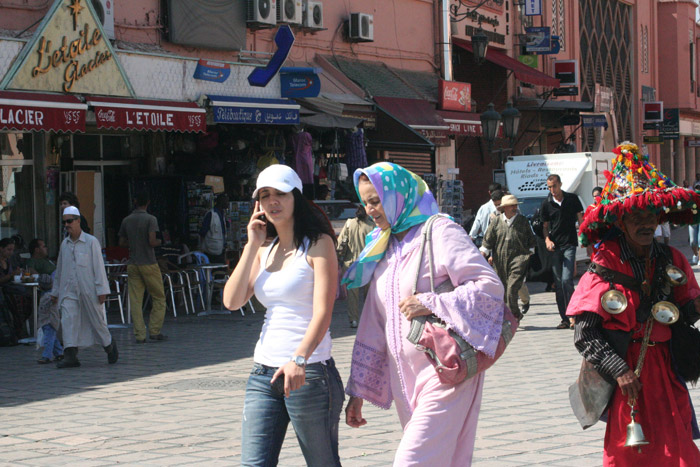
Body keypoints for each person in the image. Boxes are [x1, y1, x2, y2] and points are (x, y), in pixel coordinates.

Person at [343, 162, 505, 465]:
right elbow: (374, 323)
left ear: (397, 195)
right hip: (405, 379)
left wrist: (430, 302)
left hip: (445, 372)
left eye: (375, 201)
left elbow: (489, 287)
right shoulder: (383, 246)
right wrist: (358, 390)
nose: (370, 210)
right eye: (365, 202)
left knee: (411, 461)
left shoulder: (441, 232)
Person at [568, 142, 700, 466]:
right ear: (621, 221)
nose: (645, 224)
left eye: (651, 216)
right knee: (629, 454)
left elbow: (689, 311)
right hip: (628, 373)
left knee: (679, 450)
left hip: (667, 370)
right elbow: (584, 333)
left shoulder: (672, 258)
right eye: (636, 216)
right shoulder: (605, 263)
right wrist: (620, 371)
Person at [222, 164, 343, 466]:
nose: (272, 201)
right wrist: (251, 245)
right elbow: (232, 301)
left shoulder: (318, 244)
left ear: (296, 198)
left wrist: (299, 359)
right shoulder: (264, 250)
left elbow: (323, 312)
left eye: (280, 194)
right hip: (263, 373)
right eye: (265, 196)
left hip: (309, 372)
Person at [50, 206, 118, 368]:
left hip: (89, 290)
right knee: (68, 320)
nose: (67, 224)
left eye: (70, 221)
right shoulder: (64, 245)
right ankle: (70, 355)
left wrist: (102, 290)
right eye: (64, 222)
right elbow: (59, 270)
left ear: (78, 220)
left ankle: (109, 345)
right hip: (69, 291)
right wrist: (56, 291)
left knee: (96, 320)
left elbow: (99, 268)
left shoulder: (91, 242)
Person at [118, 191, 167, 344]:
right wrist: (161, 241)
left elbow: (121, 243)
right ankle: (154, 330)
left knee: (135, 300)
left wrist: (134, 243)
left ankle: (140, 334)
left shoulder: (127, 220)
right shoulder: (151, 219)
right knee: (159, 297)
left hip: (133, 263)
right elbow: (152, 241)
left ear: (134, 202)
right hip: (149, 262)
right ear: (148, 203)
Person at [480, 194, 535, 320]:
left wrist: (530, 252)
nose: (514, 208)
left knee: (512, 289)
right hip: (500, 261)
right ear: (504, 208)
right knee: (503, 292)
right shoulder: (496, 222)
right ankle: (511, 315)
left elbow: (531, 239)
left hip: (519, 259)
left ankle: (514, 316)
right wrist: (483, 254)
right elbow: (488, 241)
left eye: (515, 205)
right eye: (511, 206)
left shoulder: (522, 221)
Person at [540, 174, 584, 329]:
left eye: (554, 186)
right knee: (558, 284)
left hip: (569, 244)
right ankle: (565, 319)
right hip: (555, 247)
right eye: (549, 187)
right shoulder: (547, 203)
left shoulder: (572, 199)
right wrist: (547, 240)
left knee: (567, 280)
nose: (552, 190)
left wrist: (584, 236)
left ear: (560, 184)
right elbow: (545, 226)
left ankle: (574, 315)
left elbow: (580, 219)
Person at [337, 205, 374, 328]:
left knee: (353, 294)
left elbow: (340, 243)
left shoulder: (349, 223)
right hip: (368, 264)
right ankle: (368, 319)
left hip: (351, 263)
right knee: (369, 294)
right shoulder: (373, 226)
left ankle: (354, 319)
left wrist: (339, 257)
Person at [36, 274, 63, 364]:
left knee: (48, 339)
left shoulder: (50, 297)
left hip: (49, 321)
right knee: (53, 338)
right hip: (47, 320)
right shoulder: (50, 295)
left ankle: (46, 356)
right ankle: (59, 353)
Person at [199, 194, 228, 264]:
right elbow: (202, 232)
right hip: (211, 251)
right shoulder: (211, 214)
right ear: (221, 201)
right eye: (226, 201)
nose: (227, 203)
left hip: (220, 250)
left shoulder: (222, 215)